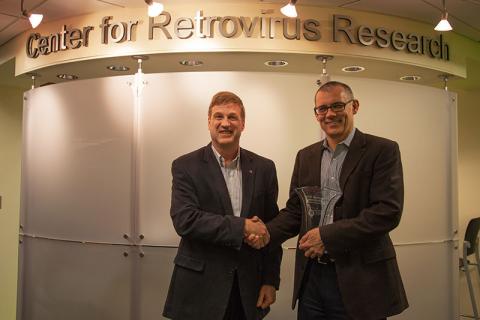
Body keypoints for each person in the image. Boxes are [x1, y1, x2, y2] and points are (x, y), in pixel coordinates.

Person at [249, 81, 408, 319]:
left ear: (354, 106)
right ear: (316, 115)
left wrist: (327, 236)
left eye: (337, 105)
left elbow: (387, 212)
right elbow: (295, 212)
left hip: (361, 279)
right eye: (322, 109)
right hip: (312, 278)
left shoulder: (382, 150)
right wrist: (264, 232)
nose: (330, 114)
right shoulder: (306, 156)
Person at [163, 91, 283, 320]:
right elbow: (185, 220)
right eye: (218, 116)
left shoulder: (264, 168)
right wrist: (243, 227)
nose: (225, 123)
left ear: (243, 124)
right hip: (199, 289)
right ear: (209, 122)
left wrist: (270, 280)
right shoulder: (185, 166)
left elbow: (270, 229)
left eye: (232, 117)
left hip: (247, 291)